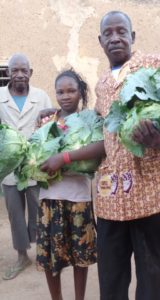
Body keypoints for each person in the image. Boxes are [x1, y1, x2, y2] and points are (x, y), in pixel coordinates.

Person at [40, 11, 160, 300]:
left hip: (150, 193)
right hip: (110, 199)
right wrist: (55, 118)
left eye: (122, 31)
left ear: (133, 36)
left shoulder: (157, 66)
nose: (115, 37)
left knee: (151, 274)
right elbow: (100, 132)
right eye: (109, 33)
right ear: (101, 40)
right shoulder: (103, 84)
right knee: (111, 276)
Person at [36, 69, 97, 300]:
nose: (65, 96)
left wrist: (64, 159)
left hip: (79, 197)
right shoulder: (46, 120)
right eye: (60, 91)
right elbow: (35, 152)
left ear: (81, 92)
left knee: (81, 256)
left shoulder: (89, 119)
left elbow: (97, 152)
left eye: (71, 90)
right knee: (52, 257)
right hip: (49, 197)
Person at [0, 53, 52, 280]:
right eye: (15, 70)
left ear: (30, 73)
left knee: (39, 209)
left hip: (34, 165)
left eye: (24, 70)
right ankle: (22, 255)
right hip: (10, 167)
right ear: (8, 73)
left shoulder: (41, 97)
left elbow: (50, 129)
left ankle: (42, 251)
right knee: (14, 212)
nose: (19, 74)